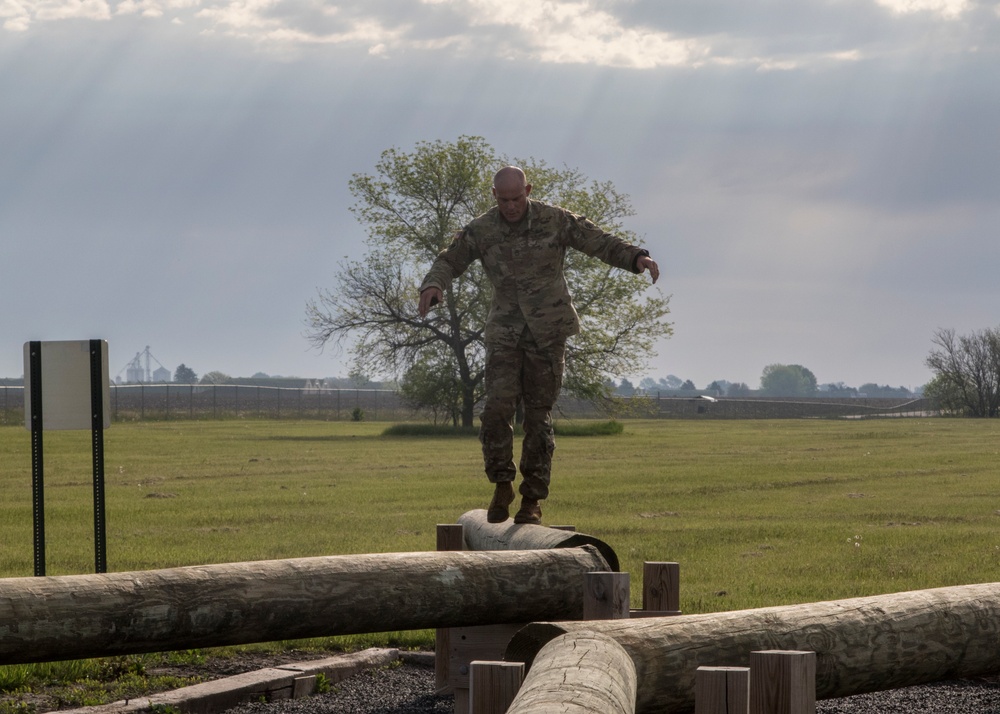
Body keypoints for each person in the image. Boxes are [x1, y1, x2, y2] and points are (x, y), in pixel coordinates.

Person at [418, 166, 659, 525]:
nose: (511, 206)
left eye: (517, 198)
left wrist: (636, 258)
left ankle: (531, 499)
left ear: (528, 190)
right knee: (497, 410)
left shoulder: (556, 220)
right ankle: (502, 483)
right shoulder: (482, 230)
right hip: (505, 331)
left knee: (537, 416)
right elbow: (449, 259)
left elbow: (600, 241)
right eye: (504, 200)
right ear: (494, 196)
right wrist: (432, 285)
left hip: (548, 330)